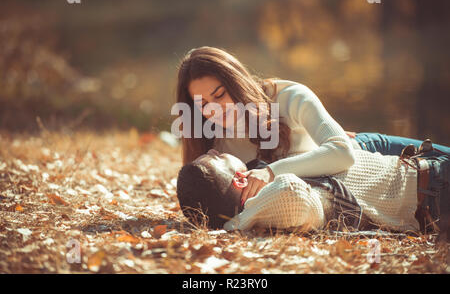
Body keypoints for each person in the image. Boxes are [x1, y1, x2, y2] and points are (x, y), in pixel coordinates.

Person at [176, 46, 450, 207]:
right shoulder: (214, 147)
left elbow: (342, 153)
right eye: (202, 104)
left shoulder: (288, 96)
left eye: (220, 94)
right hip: (344, 190)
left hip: (365, 153)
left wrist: (271, 172)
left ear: (236, 83)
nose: (215, 110)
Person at [176, 147, 449, 240]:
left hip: (426, 169)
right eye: (216, 156)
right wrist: (232, 224)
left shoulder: (259, 187)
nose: (214, 150)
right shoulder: (274, 201)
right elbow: (292, 194)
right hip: (435, 191)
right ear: (238, 180)